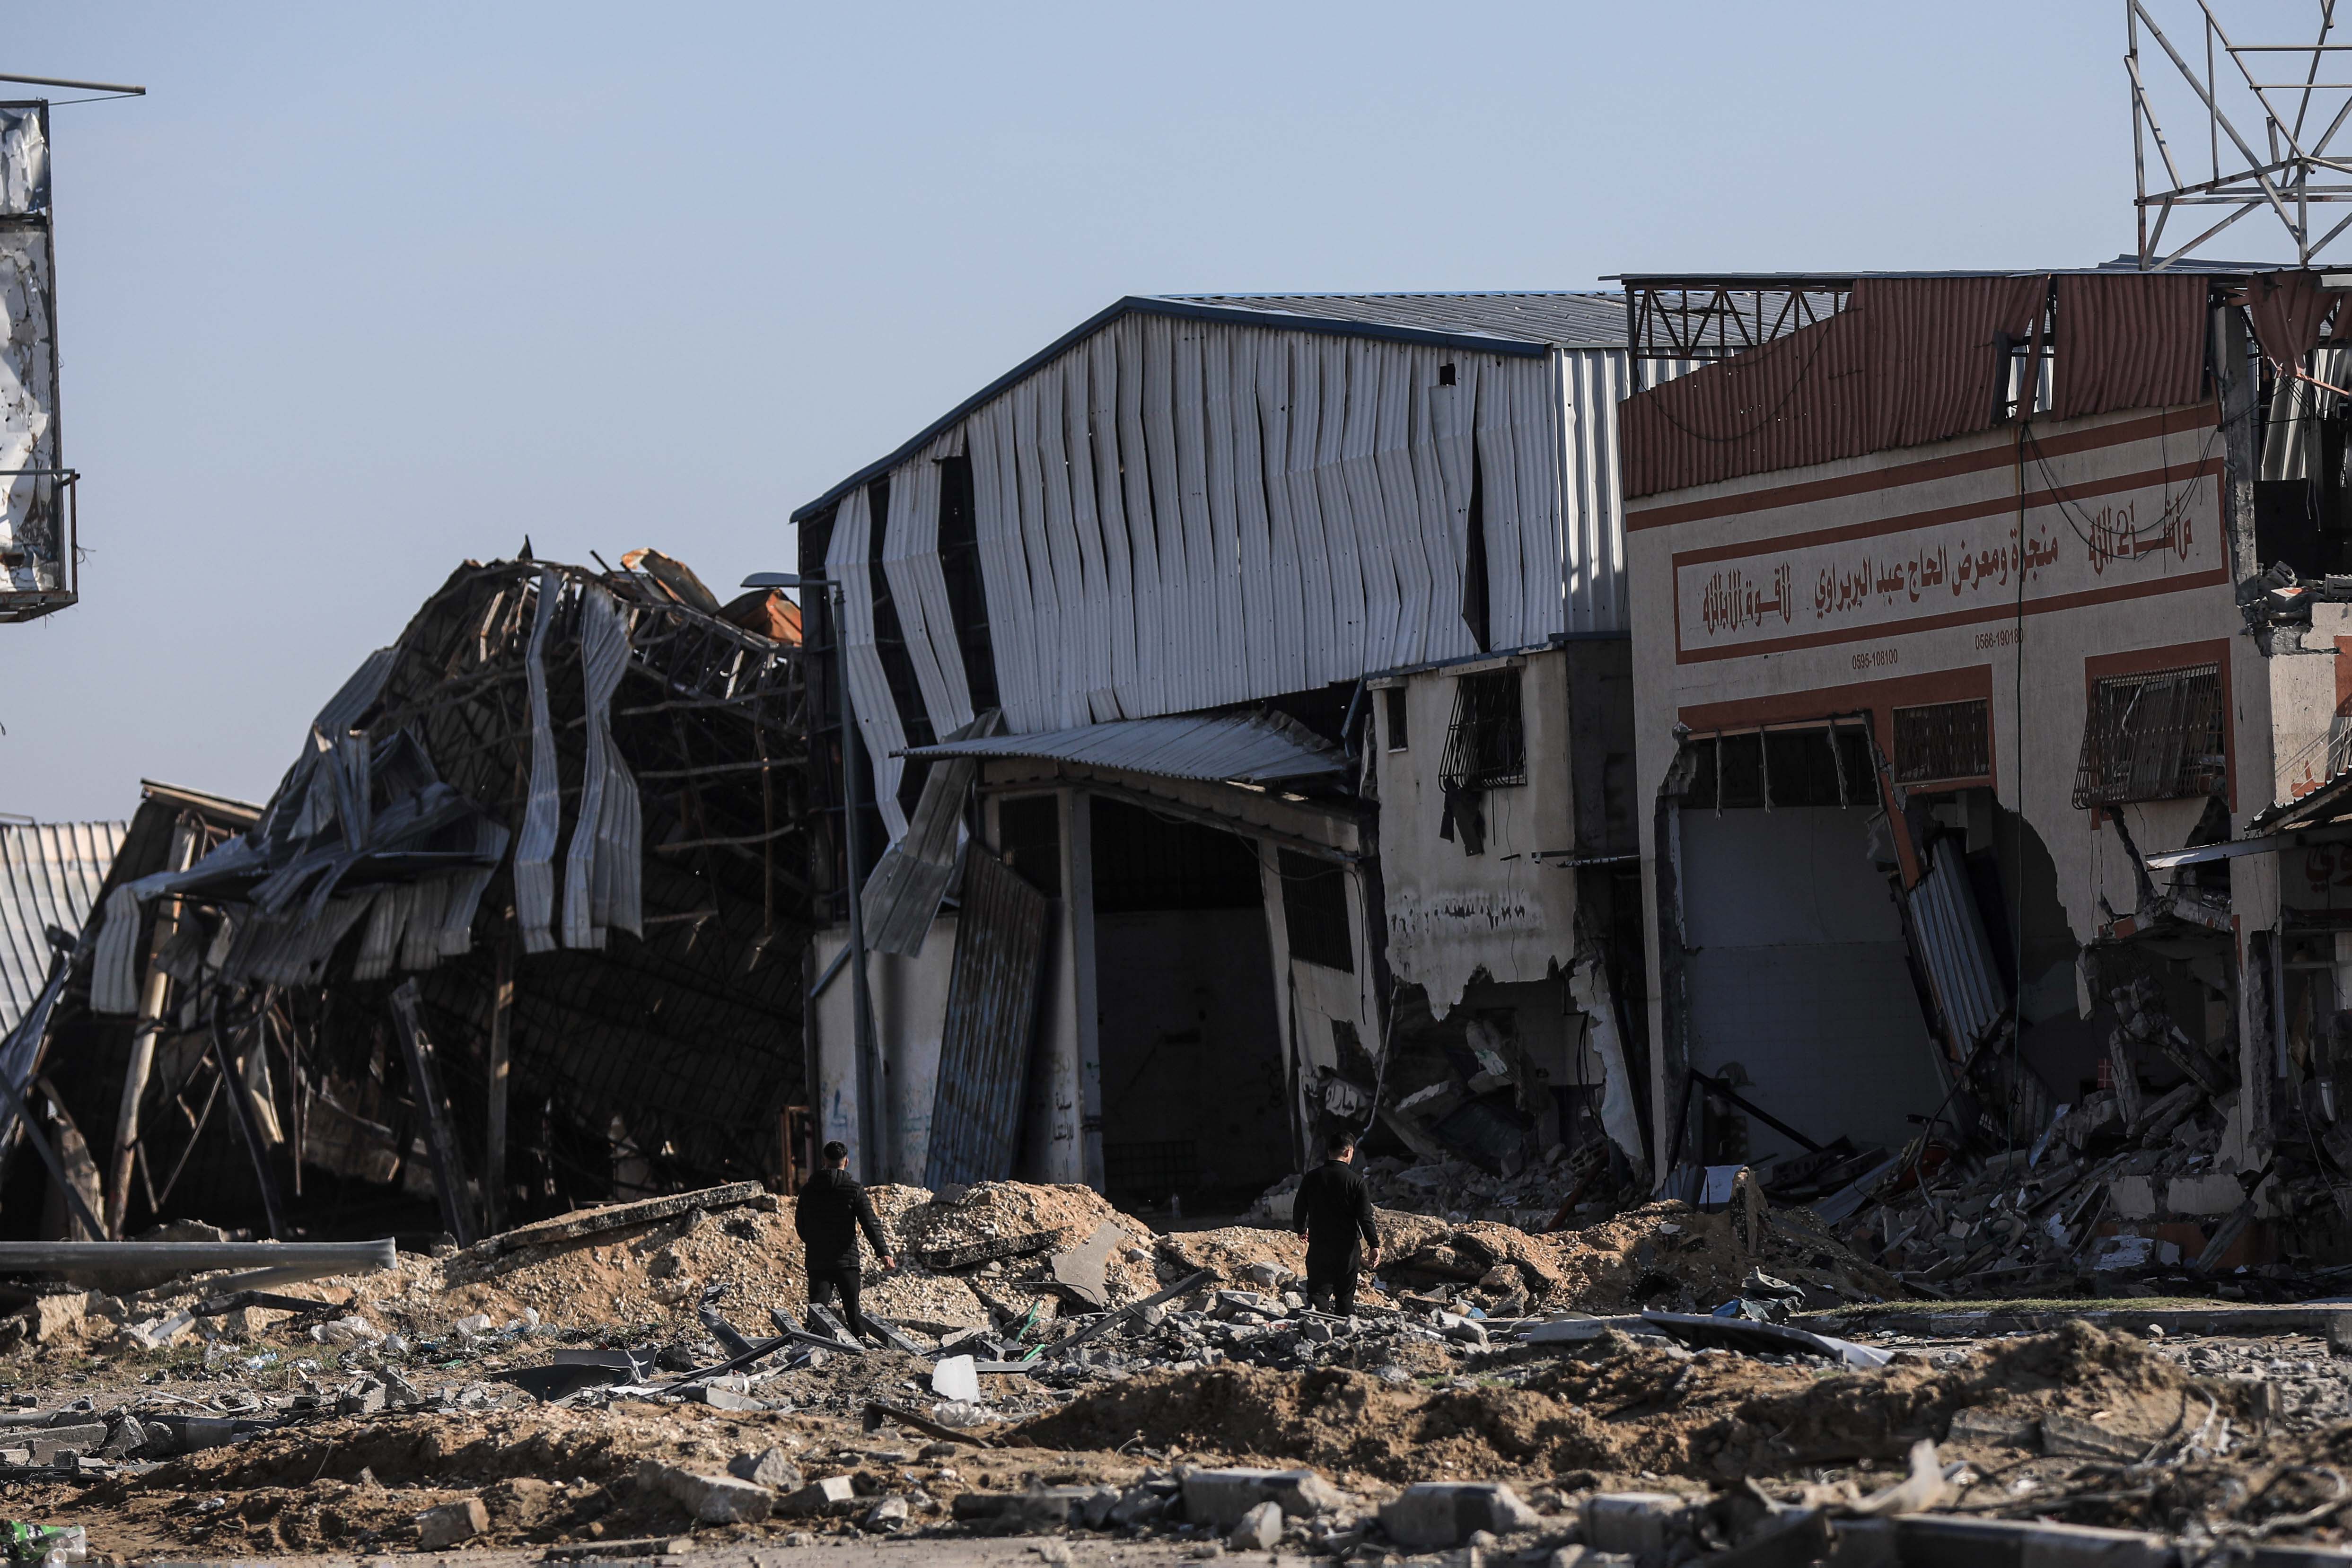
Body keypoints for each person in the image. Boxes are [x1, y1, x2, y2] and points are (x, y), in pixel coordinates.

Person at [794, 1140, 895, 1342]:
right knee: (853, 1313)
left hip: (818, 1262)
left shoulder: (808, 1190)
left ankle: (813, 1353)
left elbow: (800, 1225)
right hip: (847, 1262)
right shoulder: (854, 1190)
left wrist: (815, 1242)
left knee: (817, 1312)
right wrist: (883, 1252)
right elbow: (869, 1223)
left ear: (824, 1161)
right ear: (846, 1162)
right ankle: (861, 1355)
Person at [1293, 1128, 1380, 1316]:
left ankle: (1315, 1329)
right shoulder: (1356, 1182)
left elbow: (1299, 1206)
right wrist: (1374, 1245)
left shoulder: (1312, 1178)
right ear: (1349, 1152)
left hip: (1320, 1245)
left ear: (1329, 1151)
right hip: (1348, 1248)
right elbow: (1365, 1217)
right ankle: (1343, 1335)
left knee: (1318, 1293)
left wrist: (1301, 1229)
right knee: (1345, 1297)